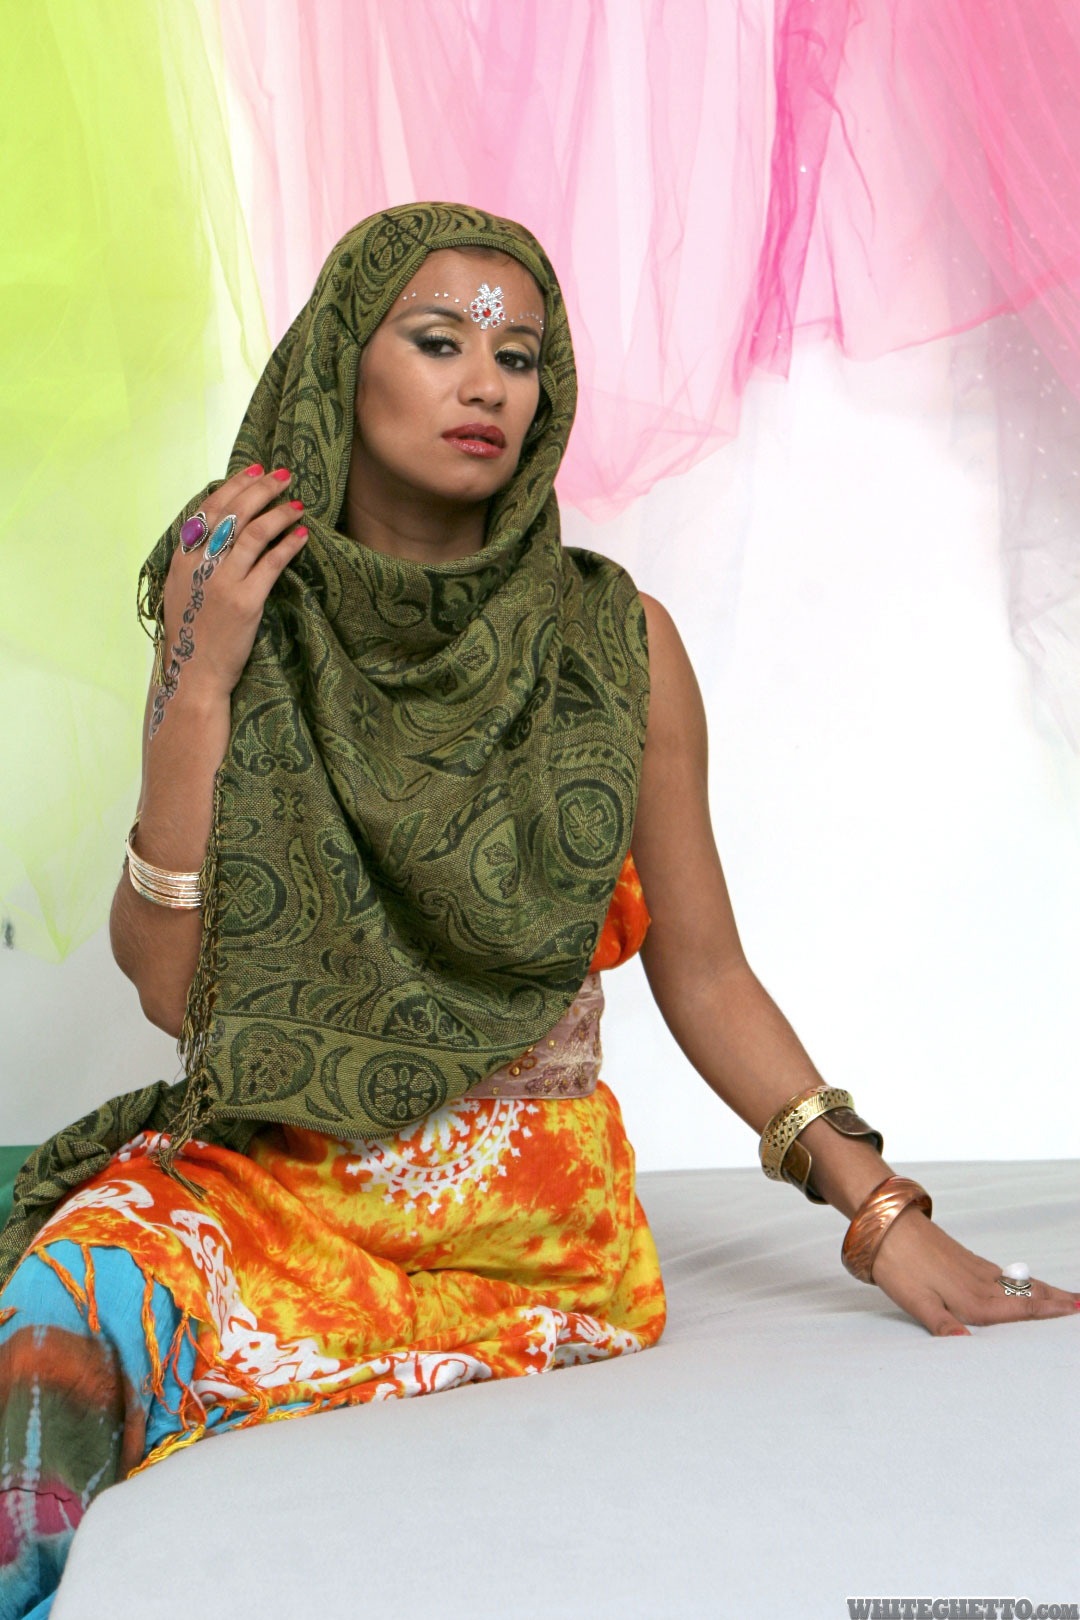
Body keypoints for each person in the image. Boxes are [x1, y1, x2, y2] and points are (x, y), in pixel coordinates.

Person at [1, 203, 1075, 1620]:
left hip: (530, 1230)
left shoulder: (615, 642)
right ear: (340, 367)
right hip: (291, 1174)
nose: (486, 384)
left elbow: (707, 972)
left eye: (519, 358)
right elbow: (165, 986)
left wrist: (878, 1211)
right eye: (438, 341)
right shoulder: (243, 614)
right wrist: (197, 682)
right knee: (52, 1334)